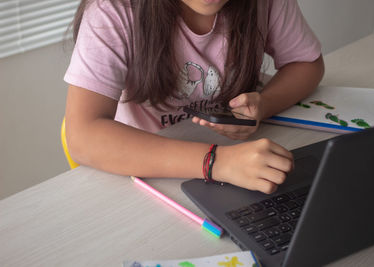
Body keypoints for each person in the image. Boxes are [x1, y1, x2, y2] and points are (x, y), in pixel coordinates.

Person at [64, 0, 324, 194]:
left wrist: (265, 104)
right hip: (147, 173)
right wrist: (217, 162)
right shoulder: (113, 10)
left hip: (238, 162)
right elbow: (83, 135)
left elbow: (307, 64)